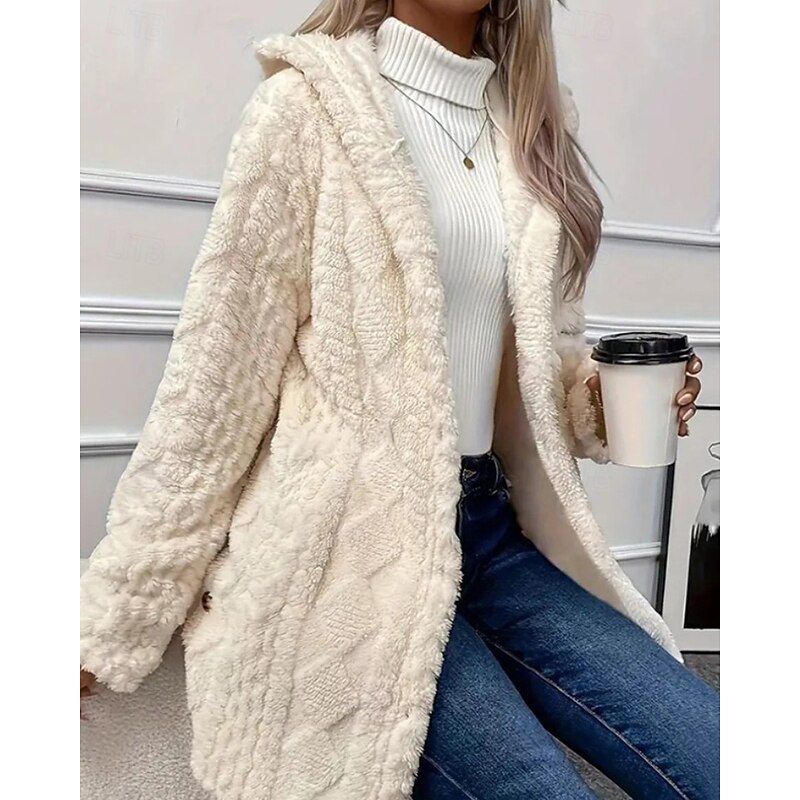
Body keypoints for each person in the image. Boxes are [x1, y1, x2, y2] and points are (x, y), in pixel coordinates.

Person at [80, 2, 719, 799]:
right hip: (354, 550)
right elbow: (211, 392)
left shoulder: (529, 131)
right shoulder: (306, 111)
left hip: (492, 533)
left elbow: (532, 370)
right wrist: (109, 621)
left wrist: (598, 400)